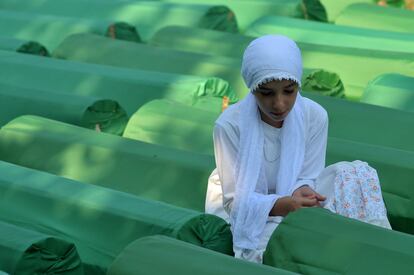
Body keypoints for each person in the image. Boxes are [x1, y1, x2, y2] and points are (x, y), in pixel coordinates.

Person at [205, 35, 391, 263]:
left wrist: (301, 189)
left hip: (292, 198)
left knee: (354, 174)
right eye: (267, 93)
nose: (279, 104)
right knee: (273, 242)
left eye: (288, 91)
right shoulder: (229, 125)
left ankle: (373, 246)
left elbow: (308, 174)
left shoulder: (315, 116)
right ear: (252, 89)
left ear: (298, 85)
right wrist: (281, 205)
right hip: (246, 208)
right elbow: (236, 202)